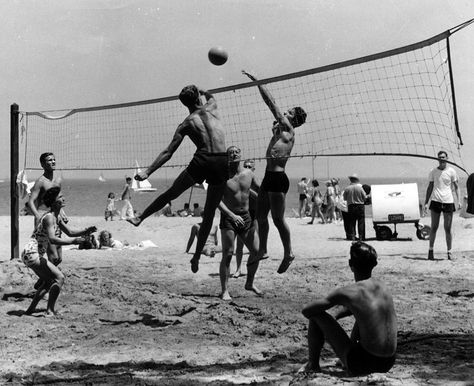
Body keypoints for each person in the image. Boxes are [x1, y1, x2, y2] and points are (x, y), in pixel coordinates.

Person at [127, 85, 228, 274]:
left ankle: (140, 217)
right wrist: (202, 89)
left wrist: (148, 172)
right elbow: (211, 96)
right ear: (198, 98)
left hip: (202, 160)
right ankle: (197, 256)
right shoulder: (212, 106)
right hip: (221, 160)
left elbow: (168, 152)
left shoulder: (186, 123)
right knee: (209, 215)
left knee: (171, 193)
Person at [242, 70, 307, 274]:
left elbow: (272, 105)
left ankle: (288, 253)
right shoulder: (280, 130)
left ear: (293, 119)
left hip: (279, 178)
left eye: (288, 112)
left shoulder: (289, 129)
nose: (284, 113)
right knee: (261, 217)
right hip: (269, 176)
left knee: (278, 220)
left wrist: (258, 82)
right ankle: (263, 249)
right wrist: (274, 130)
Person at [299, 241, 397, 376]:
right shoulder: (382, 286)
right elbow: (363, 310)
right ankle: (352, 350)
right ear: (374, 264)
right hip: (388, 362)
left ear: (351, 265)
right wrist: (337, 315)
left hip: (363, 364)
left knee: (317, 314)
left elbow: (307, 311)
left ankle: (313, 365)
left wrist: (330, 318)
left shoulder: (348, 292)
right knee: (362, 315)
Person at [21, 187, 97, 316]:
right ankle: (50, 311)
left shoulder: (56, 217)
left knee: (48, 282)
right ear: (54, 201)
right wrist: (73, 242)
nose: (63, 198)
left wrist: (86, 231)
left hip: (29, 254)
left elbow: (70, 232)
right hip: (32, 253)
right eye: (60, 197)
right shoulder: (49, 218)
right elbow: (52, 239)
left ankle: (30, 310)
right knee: (59, 278)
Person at [218, 146, 261, 300]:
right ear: (227, 157)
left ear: (241, 155)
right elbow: (216, 200)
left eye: (236, 152)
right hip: (229, 217)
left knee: (256, 251)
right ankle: (225, 291)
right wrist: (231, 214)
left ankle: (249, 283)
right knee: (228, 254)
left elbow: (260, 190)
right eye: (231, 152)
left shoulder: (249, 174)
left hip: (246, 217)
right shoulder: (222, 176)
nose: (234, 154)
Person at [423, 151, 461, 260]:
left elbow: (457, 187)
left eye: (443, 157)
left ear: (447, 158)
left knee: (447, 228)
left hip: (448, 202)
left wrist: (458, 201)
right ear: (437, 159)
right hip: (436, 201)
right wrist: (426, 203)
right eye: (440, 157)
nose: (441, 159)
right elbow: (430, 188)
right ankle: (430, 251)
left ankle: (449, 252)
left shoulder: (451, 171)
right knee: (434, 227)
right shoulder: (433, 171)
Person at [28, 152, 68, 228]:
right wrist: (37, 215)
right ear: (42, 164)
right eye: (50, 160)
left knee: (56, 238)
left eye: (54, 160)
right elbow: (31, 201)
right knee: (43, 239)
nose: (53, 162)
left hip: (54, 215)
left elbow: (57, 200)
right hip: (43, 216)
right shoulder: (41, 182)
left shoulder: (57, 181)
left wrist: (62, 213)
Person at [234, 159, 259, 278]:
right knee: (239, 245)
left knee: (255, 246)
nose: (247, 167)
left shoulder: (255, 181)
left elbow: (260, 198)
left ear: (253, 169)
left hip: (254, 216)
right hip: (243, 215)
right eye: (246, 166)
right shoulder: (241, 179)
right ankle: (238, 269)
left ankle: (252, 271)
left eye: (250, 166)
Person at [343, 174, 367, 241]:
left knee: (352, 222)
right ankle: (361, 237)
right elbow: (365, 197)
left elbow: (345, 198)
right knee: (361, 222)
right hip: (360, 206)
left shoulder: (347, 188)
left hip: (351, 206)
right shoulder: (360, 188)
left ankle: (353, 236)